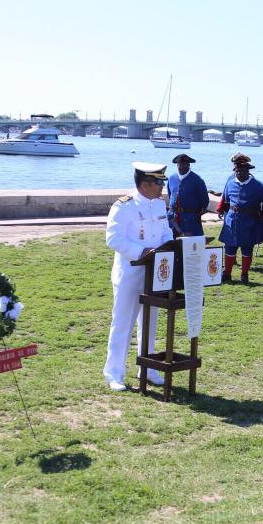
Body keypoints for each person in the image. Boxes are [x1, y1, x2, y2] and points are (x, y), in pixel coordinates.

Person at [102, 162, 174, 391]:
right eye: (159, 183)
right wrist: (142, 252)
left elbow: (165, 232)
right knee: (123, 323)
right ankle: (114, 373)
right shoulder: (124, 206)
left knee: (150, 322)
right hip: (130, 272)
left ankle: (148, 367)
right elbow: (113, 239)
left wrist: (168, 247)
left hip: (155, 272)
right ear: (145, 184)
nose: (162, 187)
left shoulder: (159, 205)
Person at [216, 153, 263, 283]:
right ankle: (227, 274)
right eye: (237, 170)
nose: (239, 173)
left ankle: (244, 274)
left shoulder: (260, 186)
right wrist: (220, 209)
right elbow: (225, 198)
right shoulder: (230, 183)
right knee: (229, 248)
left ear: (248, 170)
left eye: (242, 170)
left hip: (250, 221)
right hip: (231, 221)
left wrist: (262, 217)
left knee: (247, 249)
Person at [166, 153, 209, 237]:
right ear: (177, 165)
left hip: (190, 220)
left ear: (189, 165)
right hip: (173, 220)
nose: (181, 167)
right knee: (171, 246)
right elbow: (170, 194)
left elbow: (204, 201)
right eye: (180, 165)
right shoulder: (171, 178)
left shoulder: (197, 180)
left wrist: (193, 212)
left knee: (190, 246)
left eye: (184, 165)